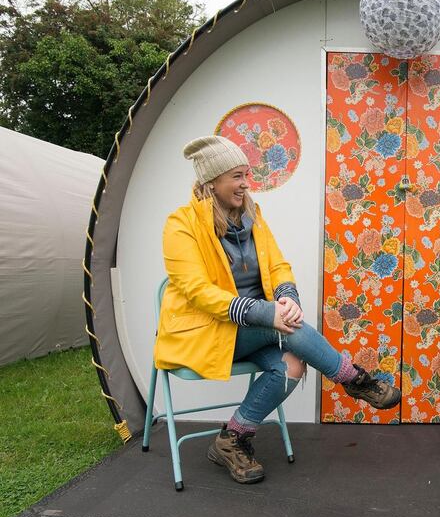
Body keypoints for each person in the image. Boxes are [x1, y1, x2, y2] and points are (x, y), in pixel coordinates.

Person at [154, 135, 400, 484]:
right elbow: (197, 292)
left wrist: (287, 298)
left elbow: (277, 266)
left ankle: (232, 439)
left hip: (258, 327)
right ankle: (354, 379)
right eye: (237, 176)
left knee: (292, 364)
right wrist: (266, 314)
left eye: (246, 174)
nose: (245, 183)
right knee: (286, 327)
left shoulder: (253, 216)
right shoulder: (180, 225)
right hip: (208, 330)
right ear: (212, 182)